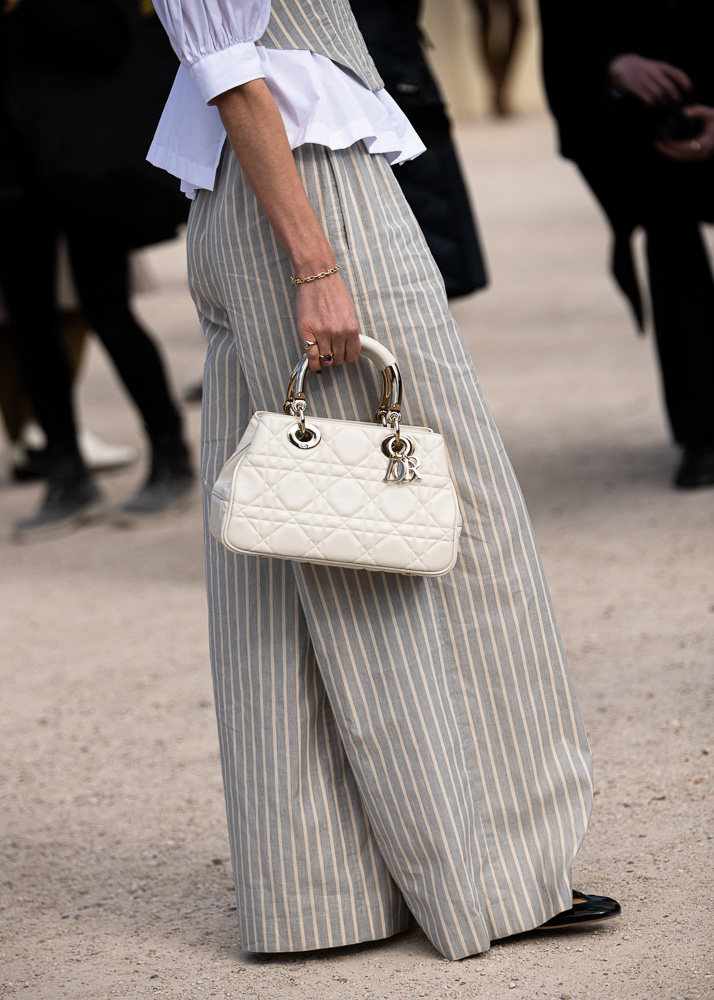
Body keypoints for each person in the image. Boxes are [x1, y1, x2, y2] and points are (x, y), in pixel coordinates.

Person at [149, 0, 619, 959]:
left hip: (301, 186)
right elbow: (231, 69)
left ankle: (324, 891)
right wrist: (316, 266)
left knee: (311, 546)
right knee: (412, 533)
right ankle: (487, 878)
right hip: (308, 203)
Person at [0, 0, 194, 541]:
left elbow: (108, 41)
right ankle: (65, 471)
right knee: (28, 322)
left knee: (108, 311)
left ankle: (171, 454)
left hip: (83, 157)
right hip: (12, 166)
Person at [538, 0, 714, 489]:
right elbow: (563, 56)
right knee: (667, 219)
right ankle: (703, 430)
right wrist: (612, 68)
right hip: (644, 130)